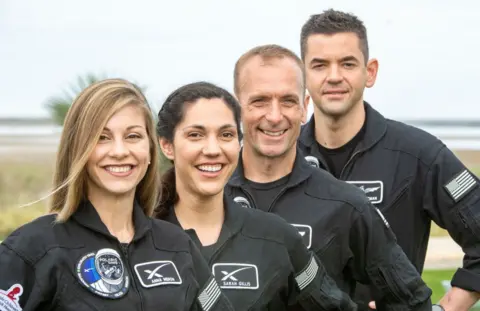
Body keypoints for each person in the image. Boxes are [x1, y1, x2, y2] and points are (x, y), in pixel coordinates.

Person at [226, 43, 434, 310]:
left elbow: (413, 301)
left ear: (304, 107)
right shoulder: (203, 197)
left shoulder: (346, 206)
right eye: (260, 101)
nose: (275, 116)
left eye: (288, 101)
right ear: (236, 107)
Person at [298, 9, 480, 311]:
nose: (333, 76)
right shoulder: (282, 159)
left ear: (370, 72)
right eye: (319, 65)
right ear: (302, 74)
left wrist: (443, 309)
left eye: (347, 63)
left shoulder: (419, 155)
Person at [0, 79, 233, 311]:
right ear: (78, 149)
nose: (120, 151)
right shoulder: (35, 248)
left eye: (133, 136)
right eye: (102, 137)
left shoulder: (177, 245)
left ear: (150, 150)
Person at [153, 81, 359, 310]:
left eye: (226, 134)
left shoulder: (277, 238)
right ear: (166, 145)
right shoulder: (137, 238)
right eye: (195, 135)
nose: (213, 149)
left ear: (239, 143)